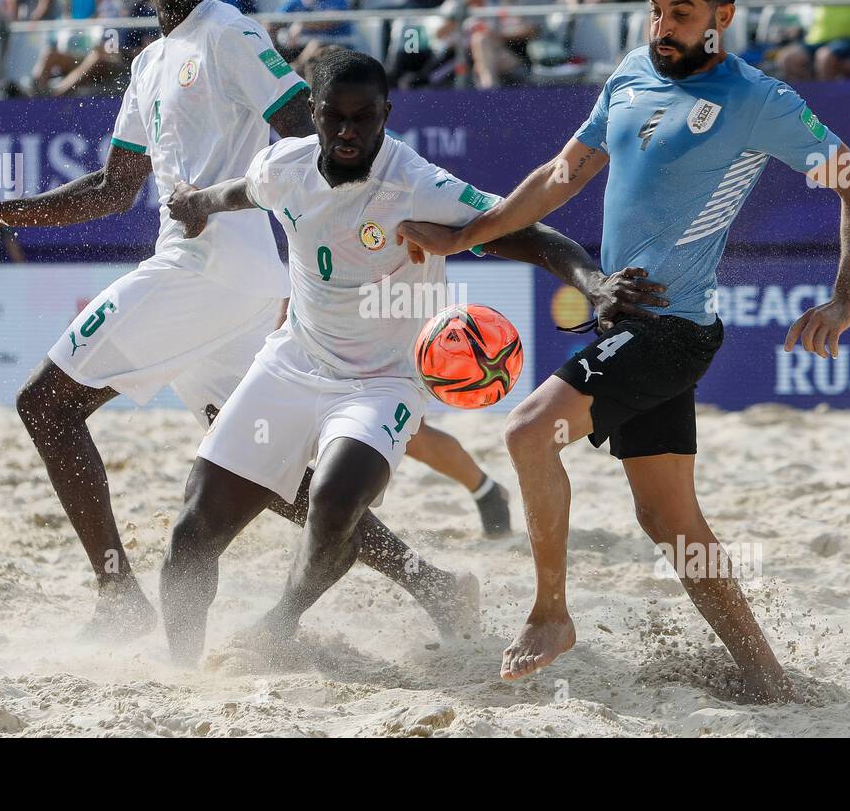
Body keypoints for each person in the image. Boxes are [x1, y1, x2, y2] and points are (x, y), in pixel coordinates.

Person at [0, 0, 480, 642]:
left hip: (207, 267)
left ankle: (118, 595)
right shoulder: (151, 60)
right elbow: (113, 190)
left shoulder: (231, 32)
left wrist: (363, 237)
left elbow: (308, 138)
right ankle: (431, 584)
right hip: (227, 285)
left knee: (45, 406)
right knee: (269, 473)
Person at [398, 0, 850, 703]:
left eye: (681, 12)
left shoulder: (758, 100)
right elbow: (563, 173)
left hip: (669, 330)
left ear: (723, 15)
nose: (663, 27)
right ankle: (765, 674)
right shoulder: (630, 72)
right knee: (668, 517)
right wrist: (465, 237)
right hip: (626, 325)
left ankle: (551, 614)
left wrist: (845, 297)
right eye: (656, 10)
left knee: (528, 431)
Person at [155, 49, 664, 664]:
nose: (348, 132)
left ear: (386, 114)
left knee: (336, 503)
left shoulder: (414, 183)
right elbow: (247, 189)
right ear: (312, 115)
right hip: (293, 361)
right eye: (334, 118)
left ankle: (280, 621)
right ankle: (179, 670)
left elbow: (522, 231)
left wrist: (593, 283)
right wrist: (199, 203)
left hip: (384, 381)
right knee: (190, 535)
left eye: (364, 118)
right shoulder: (284, 165)